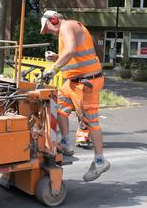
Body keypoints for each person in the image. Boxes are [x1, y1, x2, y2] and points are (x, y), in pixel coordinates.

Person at [40, 10, 110, 182]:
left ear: (54, 20)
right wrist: (56, 57)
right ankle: (65, 142)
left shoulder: (67, 25)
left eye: (47, 27)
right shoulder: (67, 29)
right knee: (60, 107)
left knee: (90, 122)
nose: (48, 31)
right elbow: (75, 54)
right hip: (73, 82)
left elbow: (70, 51)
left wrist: (53, 69)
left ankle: (100, 160)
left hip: (86, 83)